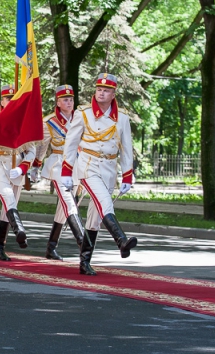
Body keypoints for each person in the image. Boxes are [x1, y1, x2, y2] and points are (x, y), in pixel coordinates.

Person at [61, 73, 136, 276]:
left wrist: (128, 176)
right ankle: (121, 240)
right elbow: (71, 142)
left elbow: (127, 149)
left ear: (113, 93)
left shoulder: (123, 118)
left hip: (109, 168)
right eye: (99, 89)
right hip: (88, 165)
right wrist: (66, 171)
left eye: (106, 90)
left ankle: (84, 262)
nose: (101, 93)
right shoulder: (83, 113)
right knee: (105, 202)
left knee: (95, 217)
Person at [33, 85, 86, 260]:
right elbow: (42, 145)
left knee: (64, 209)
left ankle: (51, 247)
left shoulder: (80, 118)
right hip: (57, 164)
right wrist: (36, 165)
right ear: (58, 102)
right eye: (65, 100)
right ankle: (84, 243)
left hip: (76, 165)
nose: (69, 102)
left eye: (71, 99)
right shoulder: (49, 122)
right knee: (69, 204)